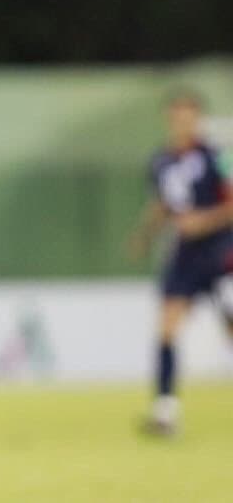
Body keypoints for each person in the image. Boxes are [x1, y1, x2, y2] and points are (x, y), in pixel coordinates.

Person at [129, 89, 233, 436]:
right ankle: (165, 411)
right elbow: (163, 204)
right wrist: (146, 235)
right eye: (176, 116)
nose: (182, 122)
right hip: (185, 256)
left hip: (221, 253)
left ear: (198, 119)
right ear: (169, 119)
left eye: (189, 116)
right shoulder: (160, 161)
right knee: (167, 328)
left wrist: (204, 220)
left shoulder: (218, 156)